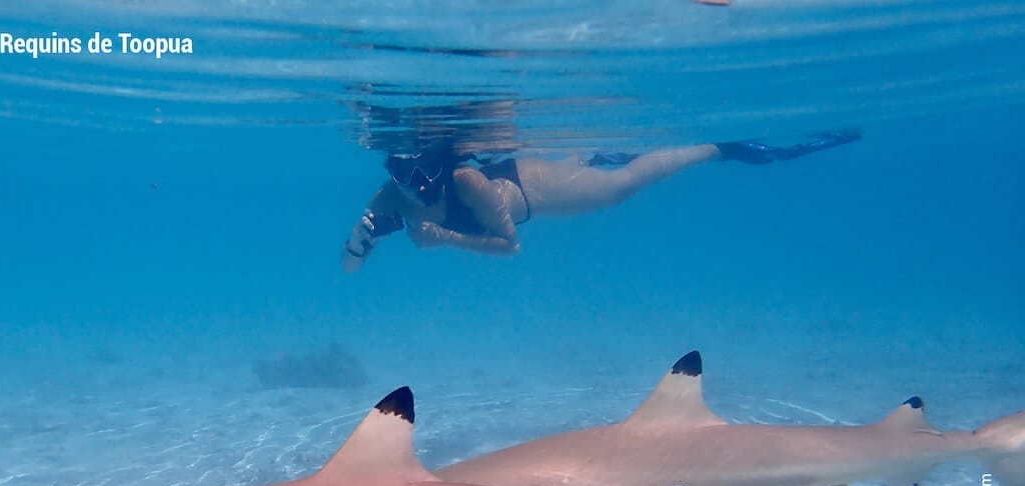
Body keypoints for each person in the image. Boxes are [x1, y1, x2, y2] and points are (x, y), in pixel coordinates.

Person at [340, 132, 859, 271]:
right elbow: (347, 269)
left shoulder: (467, 183)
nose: (411, 182)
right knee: (600, 165)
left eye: (420, 170)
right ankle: (595, 150)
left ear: (436, 163)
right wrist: (359, 243)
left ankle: (720, 148)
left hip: (533, 189)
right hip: (529, 179)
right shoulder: (389, 196)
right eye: (399, 171)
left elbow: (510, 246)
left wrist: (447, 238)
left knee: (621, 186)